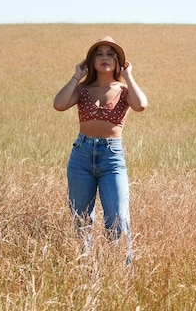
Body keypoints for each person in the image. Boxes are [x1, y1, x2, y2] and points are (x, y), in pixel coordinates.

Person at [53, 36, 147, 261]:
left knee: (117, 217)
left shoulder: (124, 89)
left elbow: (141, 105)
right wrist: (77, 75)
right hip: (81, 155)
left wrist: (129, 75)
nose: (104, 58)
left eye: (109, 54)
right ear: (91, 61)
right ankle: (84, 270)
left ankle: (121, 271)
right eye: (99, 54)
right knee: (81, 219)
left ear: (118, 61)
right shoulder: (83, 88)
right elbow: (59, 104)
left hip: (111, 157)